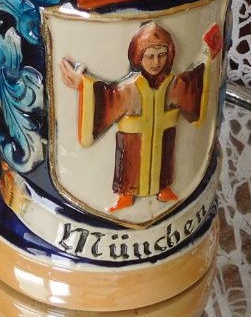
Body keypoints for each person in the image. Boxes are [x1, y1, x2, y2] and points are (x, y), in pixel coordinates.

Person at [59, 20, 221, 212]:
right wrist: (83, 84)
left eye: (162, 55)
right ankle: (126, 195)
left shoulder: (173, 85)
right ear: (139, 57)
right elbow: (107, 98)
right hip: (133, 140)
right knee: (130, 162)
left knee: (165, 156)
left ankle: (164, 188)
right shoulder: (130, 89)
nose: (156, 62)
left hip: (163, 135)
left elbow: (193, 84)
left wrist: (207, 55)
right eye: (150, 56)